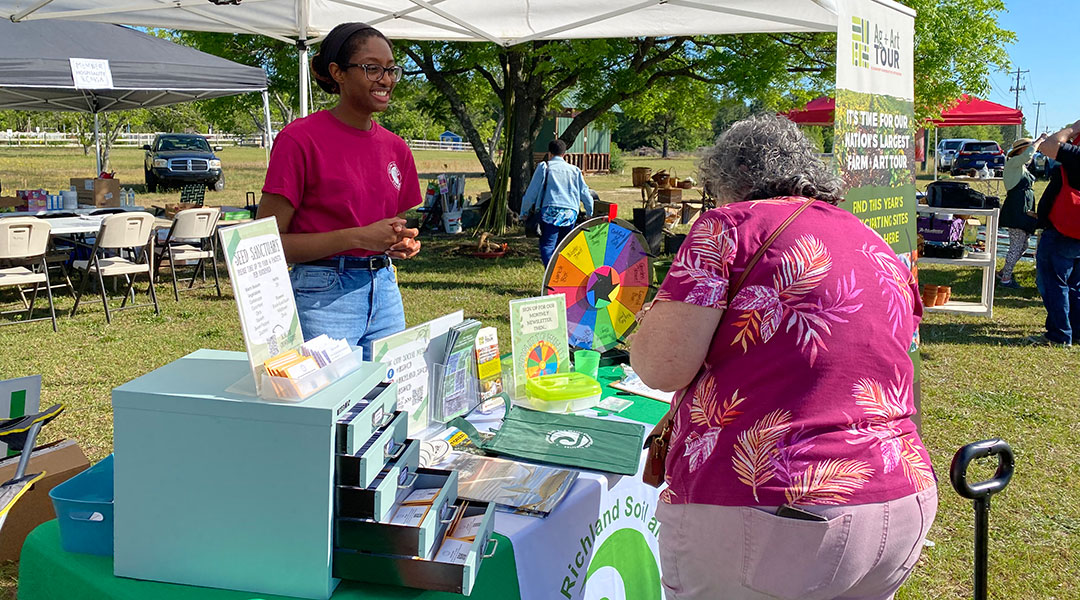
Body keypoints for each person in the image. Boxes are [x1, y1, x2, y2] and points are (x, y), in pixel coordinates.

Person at [630, 114, 935, 600]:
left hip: (772, 511)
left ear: (728, 181)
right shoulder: (874, 241)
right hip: (900, 499)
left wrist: (647, 324)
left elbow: (660, 367)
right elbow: (905, 377)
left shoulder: (730, 227)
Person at [259, 22, 421, 357]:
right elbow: (267, 246)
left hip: (385, 290)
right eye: (372, 68)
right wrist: (359, 238)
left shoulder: (396, 149)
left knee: (387, 400)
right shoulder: (300, 140)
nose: (386, 79)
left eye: (391, 69)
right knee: (330, 404)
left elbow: (390, 228)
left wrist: (398, 243)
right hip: (322, 295)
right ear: (338, 73)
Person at [1029, 120, 1080, 346]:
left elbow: (1047, 145)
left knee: (1053, 281)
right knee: (1075, 285)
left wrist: (1074, 127)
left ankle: (1059, 335)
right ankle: (1075, 331)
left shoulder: (1076, 155)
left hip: (1063, 228)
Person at [519, 139, 594, 266]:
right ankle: (563, 278)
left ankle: (552, 275)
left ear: (549, 153)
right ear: (564, 154)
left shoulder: (544, 167)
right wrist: (590, 212)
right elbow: (585, 193)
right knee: (564, 247)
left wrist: (524, 212)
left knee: (548, 245)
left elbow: (532, 193)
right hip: (570, 213)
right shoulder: (575, 170)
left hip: (550, 212)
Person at [999, 135, 1046, 288]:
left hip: (1022, 210)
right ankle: (1005, 279)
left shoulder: (1021, 167)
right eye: (1029, 147)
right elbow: (1028, 155)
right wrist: (1039, 141)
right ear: (1021, 150)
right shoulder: (1013, 162)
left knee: (1023, 245)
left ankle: (1004, 272)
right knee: (1016, 245)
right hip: (1015, 210)